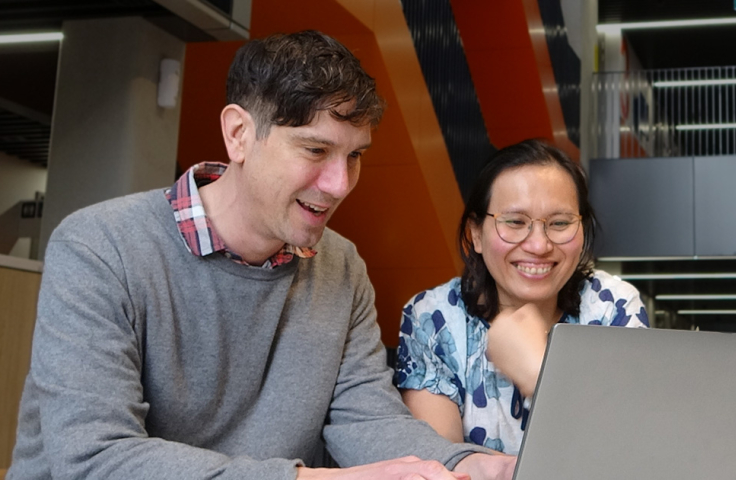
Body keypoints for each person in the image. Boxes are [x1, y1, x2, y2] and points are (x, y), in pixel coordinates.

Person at [7, 31, 516, 480]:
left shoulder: (341, 267)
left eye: (354, 156)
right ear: (239, 134)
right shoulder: (100, 247)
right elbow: (96, 460)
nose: (339, 184)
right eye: (315, 151)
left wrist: (470, 464)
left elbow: (367, 419)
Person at [394, 139, 649, 456]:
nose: (539, 245)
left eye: (559, 223)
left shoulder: (612, 307)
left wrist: (537, 372)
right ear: (475, 233)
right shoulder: (434, 319)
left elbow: (630, 452)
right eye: (515, 222)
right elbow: (438, 463)